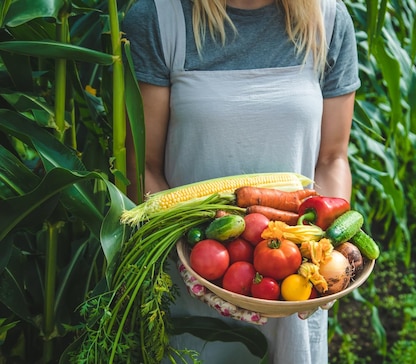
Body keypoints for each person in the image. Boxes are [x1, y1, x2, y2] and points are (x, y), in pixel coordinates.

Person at [123, 0, 360, 362]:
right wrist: (192, 265)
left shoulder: (328, 19)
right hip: (194, 267)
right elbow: (143, 165)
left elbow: (332, 157)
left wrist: (328, 252)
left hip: (293, 276)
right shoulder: (160, 18)